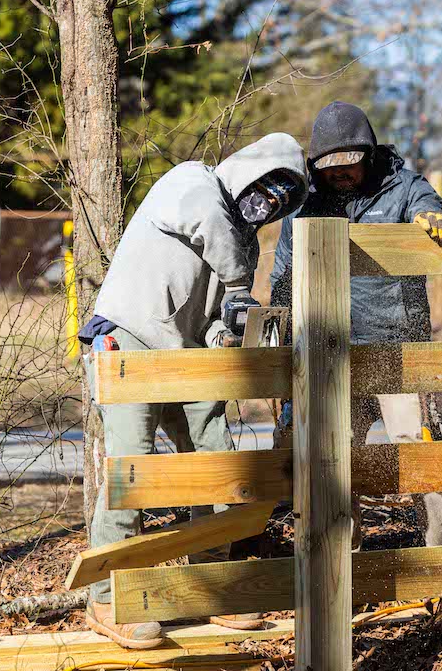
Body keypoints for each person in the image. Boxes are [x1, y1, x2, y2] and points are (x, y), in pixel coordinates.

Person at [80, 131, 308, 649]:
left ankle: (213, 583)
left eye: (278, 203)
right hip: (130, 337)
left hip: (184, 355)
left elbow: (210, 314)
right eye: (266, 190)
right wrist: (240, 288)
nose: (266, 206)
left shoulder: (242, 243)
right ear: (248, 171)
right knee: (132, 469)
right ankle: (107, 599)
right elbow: (208, 224)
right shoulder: (192, 182)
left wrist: (226, 331)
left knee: (216, 463)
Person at [269, 101, 442, 626]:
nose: (341, 175)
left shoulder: (403, 189)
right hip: (327, 354)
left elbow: (426, 200)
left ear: (369, 155)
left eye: (350, 164)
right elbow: (284, 280)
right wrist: (282, 349)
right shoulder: (305, 206)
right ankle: (342, 581)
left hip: (395, 349)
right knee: (333, 463)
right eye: (330, 167)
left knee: (421, 457)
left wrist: (430, 216)